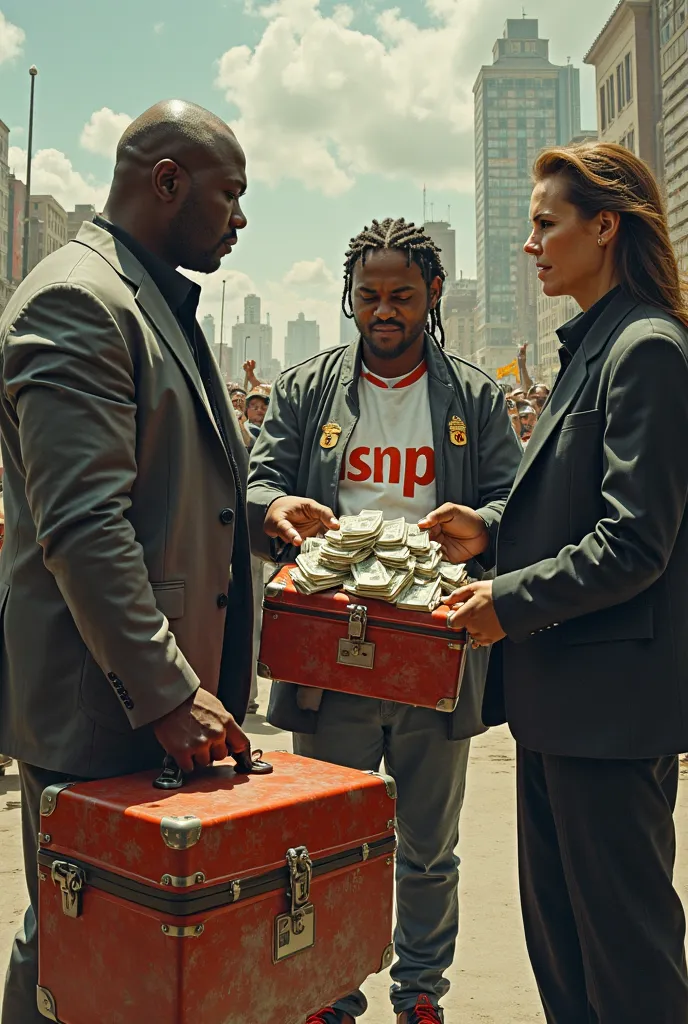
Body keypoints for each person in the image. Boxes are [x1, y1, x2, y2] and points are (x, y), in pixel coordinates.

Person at [0, 100, 255, 1024]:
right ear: (167, 182)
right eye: (230, 195)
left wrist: (260, 513)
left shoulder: (150, 295)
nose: (240, 219)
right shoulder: (81, 300)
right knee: (79, 947)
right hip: (105, 708)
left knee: (123, 951)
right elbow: (80, 523)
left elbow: (162, 481)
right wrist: (169, 691)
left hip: (149, 704)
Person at [247, 217, 522, 1024]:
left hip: (433, 651)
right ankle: (332, 993)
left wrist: (487, 526)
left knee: (429, 847)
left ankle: (421, 993)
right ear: (350, 299)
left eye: (402, 295)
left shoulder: (475, 394)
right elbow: (256, 482)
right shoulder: (305, 390)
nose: (385, 311)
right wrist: (277, 506)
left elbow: (516, 500)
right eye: (369, 296)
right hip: (330, 652)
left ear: (434, 294)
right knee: (328, 838)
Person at [441, 142, 688, 1023]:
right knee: (566, 963)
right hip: (560, 708)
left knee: (627, 965)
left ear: (605, 227)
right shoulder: (593, 345)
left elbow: (633, 542)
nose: (530, 244)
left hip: (610, 718)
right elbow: (575, 507)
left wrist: (505, 602)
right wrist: (493, 531)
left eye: (547, 224)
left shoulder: (646, 349)